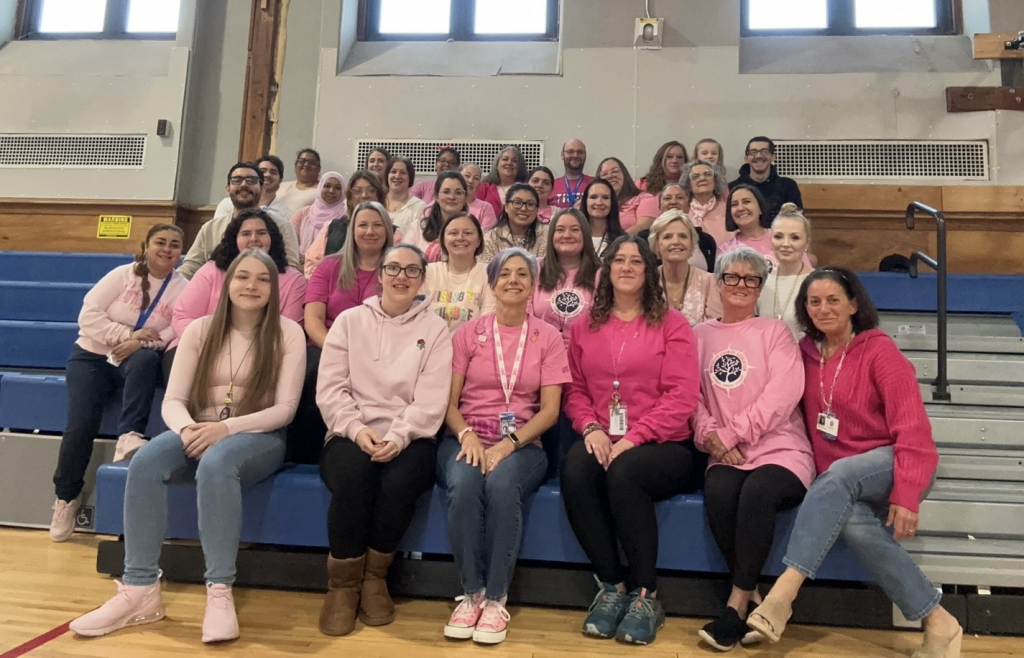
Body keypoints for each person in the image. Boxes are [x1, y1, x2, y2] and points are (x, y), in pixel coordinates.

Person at [69, 249, 306, 644]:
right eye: (243, 276)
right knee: (144, 462)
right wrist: (191, 430)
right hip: (197, 428)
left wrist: (225, 429)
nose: (251, 285)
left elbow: (284, 410)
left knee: (216, 464)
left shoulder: (288, 333)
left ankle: (219, 590)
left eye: (262, 279)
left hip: (258, 435)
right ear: (227, 283)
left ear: (274, 288)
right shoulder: (198, 330)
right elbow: (173, 401)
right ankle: (139, 590)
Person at [747, 268, 963, 658]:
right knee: (850, 518)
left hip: (894, 461)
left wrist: (907, 493)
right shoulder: (804, 355)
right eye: (814, 301)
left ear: (853, 305)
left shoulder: (879, 351)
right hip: (840, 482)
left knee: (840, 475)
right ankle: (938, 621)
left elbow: (913, 429)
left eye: (833, 300)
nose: (823, 308)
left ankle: (784, 592)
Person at [560, 235, 702, 646]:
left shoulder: (672, 323)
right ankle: (611, 586)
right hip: (604, 436)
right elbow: (575, 389)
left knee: (624, 472)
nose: (625, 267)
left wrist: (634, 437)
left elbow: (681, 396)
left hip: (668, 445)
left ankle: (646, 594)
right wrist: (590, 427)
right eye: (618, 260)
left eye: (635, 261)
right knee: (575, 468)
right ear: (605, 270)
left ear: (648, 270)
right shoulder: (586, 322)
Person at [316, 244, 453, 637]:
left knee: (400, 482)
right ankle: (342, 586)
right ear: (380, 274)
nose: (402, 277)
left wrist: (398, 435)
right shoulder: (348, 321)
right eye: (394, 268)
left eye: (412, 271)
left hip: (410, 434)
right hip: (350, 430)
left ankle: (375, 578)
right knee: (354, 477)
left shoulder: (436, 329)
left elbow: (431, 398)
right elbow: (331, 390)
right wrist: (358, 430)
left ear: (423, 279)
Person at [439, 248, 570, 645]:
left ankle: (496, 599)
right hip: (466, 435)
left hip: (524, 442)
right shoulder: (467, 333)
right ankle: (472, 593)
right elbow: (448, 402)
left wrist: (507, 445)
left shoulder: (548, 336)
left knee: (500, 485)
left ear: (533, 285)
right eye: (505, 274)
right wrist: (468, 437)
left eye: (522, 275)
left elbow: (549, 411)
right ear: (492, 284)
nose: (513, 280)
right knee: (463, 485)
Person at [692, 247, 815, 652]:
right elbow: (691, 398)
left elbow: (783, 394)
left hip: (780, 450)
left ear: (760, 288)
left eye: (751, 279)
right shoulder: (699, 335)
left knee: (758, 492)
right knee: (721, 492)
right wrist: (711, 434)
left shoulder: (775, 332)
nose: (741, 285)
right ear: (719, 281)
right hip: (723, 451)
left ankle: (735, 605)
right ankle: (756, 600)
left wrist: (733, 434)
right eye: (733, 277)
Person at [49, 224, 188, 542]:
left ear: (182, 252)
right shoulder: (122, 275)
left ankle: (130, 434)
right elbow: (89, 315)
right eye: (160, 242)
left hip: (135, 359)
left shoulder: (183, 286)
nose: (167, 249)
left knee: (147, 359)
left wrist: (139, 344)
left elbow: (178, 329)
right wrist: (126, 336)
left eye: (175, 245)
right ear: (147, 245)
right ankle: (66, 497)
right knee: (80, 426)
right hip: (92, 357)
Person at [291, 202, 395, 464]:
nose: (370, 231)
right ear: (352, 230)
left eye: (377, 224)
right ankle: (304, 457)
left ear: (388, 230)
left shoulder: (397, 268)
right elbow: (313, 320)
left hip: (380, 350)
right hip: (327, 346)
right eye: (363, 225)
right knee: (313, 370)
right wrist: (338, 351)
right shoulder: (328, 266)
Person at [168, 210, 306, 383]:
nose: (254, 238)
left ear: (273, 238)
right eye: (246, 233)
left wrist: (240, 351)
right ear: (235, 239)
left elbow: (286, 332)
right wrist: (214, 346)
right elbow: (182, 316)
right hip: (200, 348)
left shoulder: (293, 281)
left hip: (261, 357)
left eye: (262, 233)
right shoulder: (212, 270)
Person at [179, 163, 301, 278]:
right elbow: (191, 267)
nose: (243, 185)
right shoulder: (210, 228)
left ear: (262, 188)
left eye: (251, 180)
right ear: (228, 188)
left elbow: (290, 270)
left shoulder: (282, 226)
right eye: (237, 180)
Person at [532, 208, 600, 346]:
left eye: (575, 230)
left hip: (585, 354)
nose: (567, 235)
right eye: (560, 230)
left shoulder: (600, 274)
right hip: (540, 352)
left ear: (585, 235)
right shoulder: (535, 268)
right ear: (552, 235)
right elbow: (525, 319)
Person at [303, 171, 387, 277]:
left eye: (371, 191)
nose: (364, 195)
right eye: (357, 191)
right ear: (350, 198)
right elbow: (312, 263)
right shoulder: (331, 227)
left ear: (379, 196)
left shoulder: (392, 232)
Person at [423, 212, 495, 333]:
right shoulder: (428, 272)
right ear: (443, 239)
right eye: (453, 233)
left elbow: (486, 323)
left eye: (468, 233)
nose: (460, 238)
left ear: (479, 240)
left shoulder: (489, 273)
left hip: (471, 347)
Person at [647, 210, 721, 326]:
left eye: (683, 236)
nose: (676, 242)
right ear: (656, 244)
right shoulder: (647, 281)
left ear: (692, 244)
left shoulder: (710, 282)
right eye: (667, 237)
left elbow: (715, 331)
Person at [720, 186, 812, 273]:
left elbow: (805, 274)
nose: (740, 208)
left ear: (760, 208)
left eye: (746, 202)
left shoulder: (784, 237)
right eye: (734, 204)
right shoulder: (724, 250)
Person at [758, 204, 814, 338]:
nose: (785, 244)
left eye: (794, 238)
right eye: (778, 236)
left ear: (807, 243)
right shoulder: (761, 281)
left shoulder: (816, 282)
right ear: (770, 241)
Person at [729, 137, 803, 225]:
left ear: (773, 157)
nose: (759, 156)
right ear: (746, 158)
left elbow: (797, 221)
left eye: (764, 151)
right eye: (753, 152)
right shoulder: (733, 188)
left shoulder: (788, 186)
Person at [403, 171, 471, 263]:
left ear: (465, 198)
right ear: (436, 197)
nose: (452, 197)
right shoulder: (418, 228)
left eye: (458, 193)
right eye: (446, 192)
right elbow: (404, 258)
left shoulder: (474, 231)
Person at [480, 184, 549, 263]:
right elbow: (486, 271)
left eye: (530, 204)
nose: (523, 208)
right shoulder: (491, 238)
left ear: (537, 209)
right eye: (517, 202)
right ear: (506, 207)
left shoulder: (548, 235)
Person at [212, 155, 293, 223]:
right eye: (263, 171)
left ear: (281, 180)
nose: (267, 175)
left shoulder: (285, 216)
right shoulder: (226, 204)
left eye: (273, 172)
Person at [659, 183, 716, 271]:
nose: (673, 202)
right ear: (659, 206)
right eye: (667, 198)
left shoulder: (706, 241)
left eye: (679, 198)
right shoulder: (644, 238)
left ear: (689, 206)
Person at [595, 157, 659, 235]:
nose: (610, 176)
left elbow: (644, 227)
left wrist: (614, 243)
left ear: (624, 175)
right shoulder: (594, 203)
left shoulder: (645, 199)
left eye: (615, 171)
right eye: (604, 174)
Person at [289, 171, 346, 255]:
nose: (331, 191)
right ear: (320, 188)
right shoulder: (302, 214)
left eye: (338, 188)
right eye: (326, 186)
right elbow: (289, 242)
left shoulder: (346, 217)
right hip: (301, 264)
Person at [681, 159, 733, 247]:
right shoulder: (682, 212)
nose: (702, 178)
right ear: (688, 185)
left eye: (708, 174)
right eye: (695, 176)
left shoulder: (729, 210)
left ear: (715, 182)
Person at [476, 146, 528, 217]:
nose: (509, 163)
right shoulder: (484, 187)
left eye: (514, 161)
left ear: (520, 166)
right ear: (497, 164)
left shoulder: (527, 188)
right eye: (505, 159)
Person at [580, 178, 625, 257]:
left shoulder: (623, 241)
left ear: (612, 203)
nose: (599, 202)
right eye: (593, 197)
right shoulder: (575, 238)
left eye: (605, 197)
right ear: (585, 201)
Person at [385, 156, 427, 235]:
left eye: (403, 173)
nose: (397, 176)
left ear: (410, 177)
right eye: (393, 171)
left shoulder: (420, 207)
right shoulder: (378, 202)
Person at [551, 138, 593, 208]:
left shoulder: (595, 183)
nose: (575, 155)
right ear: (562, 155)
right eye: (570, 151)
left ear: (585, 156)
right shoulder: (550, 185)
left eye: (580, 152)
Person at [460, 163, 498, 229]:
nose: (471, 181)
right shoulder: (449, 203)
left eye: (476, 178)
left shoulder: (486, 208)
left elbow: (485, 235)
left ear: (479, 184)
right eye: (467, 176)